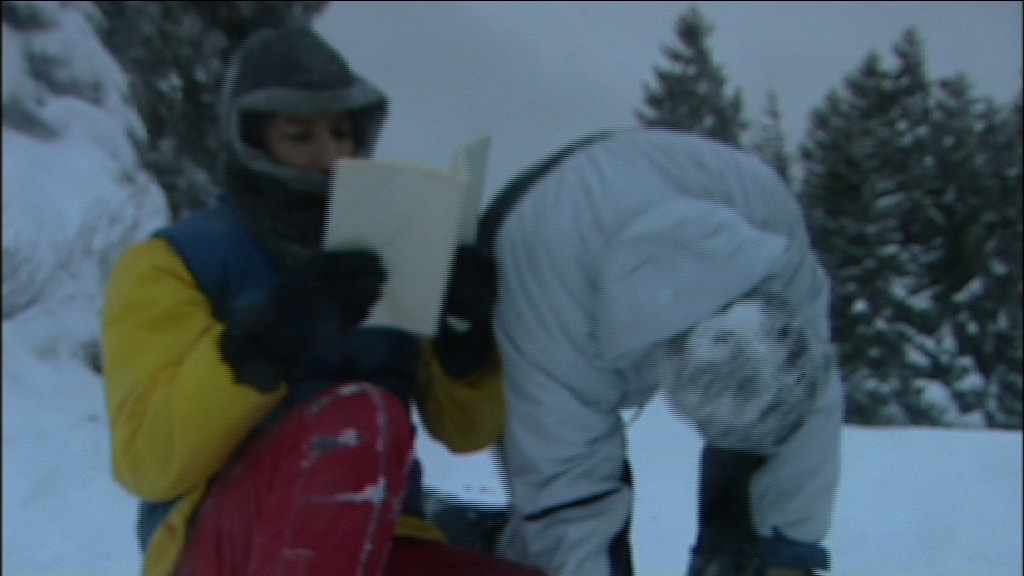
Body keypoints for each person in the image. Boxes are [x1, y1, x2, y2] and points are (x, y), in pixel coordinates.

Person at [102, 24, 543, 576]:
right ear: (252, 141)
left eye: (341, 133)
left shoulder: (394, 248)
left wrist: (465, 335)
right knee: (361, 419)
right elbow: (147, 461)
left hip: (376, 538)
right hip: (222, 543)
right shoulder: (174, 264)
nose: (330, 155)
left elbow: (466, 432)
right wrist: (269, 337)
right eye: (300, 135)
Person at [474, 127, 844, 576]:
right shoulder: (545, 316)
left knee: (761, 449)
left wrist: (789, 553)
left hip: (652, 176)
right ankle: (481, 543)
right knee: (552, 530)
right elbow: (567, 492)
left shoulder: (770, 230)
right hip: (530, 234)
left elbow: (813, 403)